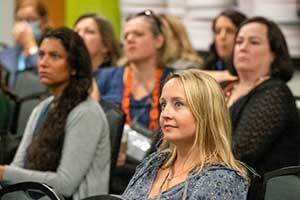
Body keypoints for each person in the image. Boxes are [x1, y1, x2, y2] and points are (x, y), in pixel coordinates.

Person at [0, 27, 111, 200]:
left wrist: (3, 172)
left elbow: (65, 184)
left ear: (74, 66)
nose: (43, 62)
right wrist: (6, 173)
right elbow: (17, 167)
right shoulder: (41, 108)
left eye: (55, 56)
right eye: (41, 54)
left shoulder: (87, 112)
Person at [122, 69, 249, 199]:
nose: (165, 114)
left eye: (178, 104)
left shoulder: (222, 180)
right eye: (163, 105)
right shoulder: (153, 163)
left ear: (205, 113)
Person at [96, 9, 173, 193]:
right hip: (110, 168)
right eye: (126, 35)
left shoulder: (173, 79)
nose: (129, 39)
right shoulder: (104, 77)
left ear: (158, 40)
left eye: (138, 34)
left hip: (157, 169)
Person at [224, 16, 300, 198]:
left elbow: (239, 153)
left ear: (274, 53)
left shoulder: (275, 93)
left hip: (253, 192)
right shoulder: (223, 88)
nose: (243, 47)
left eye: (254, 42)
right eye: (239, 41)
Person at [0, 0, 49, 87]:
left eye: (30, 19)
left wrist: (31, 46)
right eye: (20, 20)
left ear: (43, 22)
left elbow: (46, 79)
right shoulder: (5, 55)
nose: (24, 25)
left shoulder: (52, 50)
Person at [74, 13, 121, 101]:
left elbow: (115, 111)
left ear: (105, 45)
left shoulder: (116, 76)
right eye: (76, 32)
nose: (79, 36)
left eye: (89, 32)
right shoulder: (66, 74)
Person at [203, 10, 247, 83]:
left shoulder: (248, 68)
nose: (222, 36)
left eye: (230, 31)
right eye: (217, 31)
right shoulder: (211, 62)